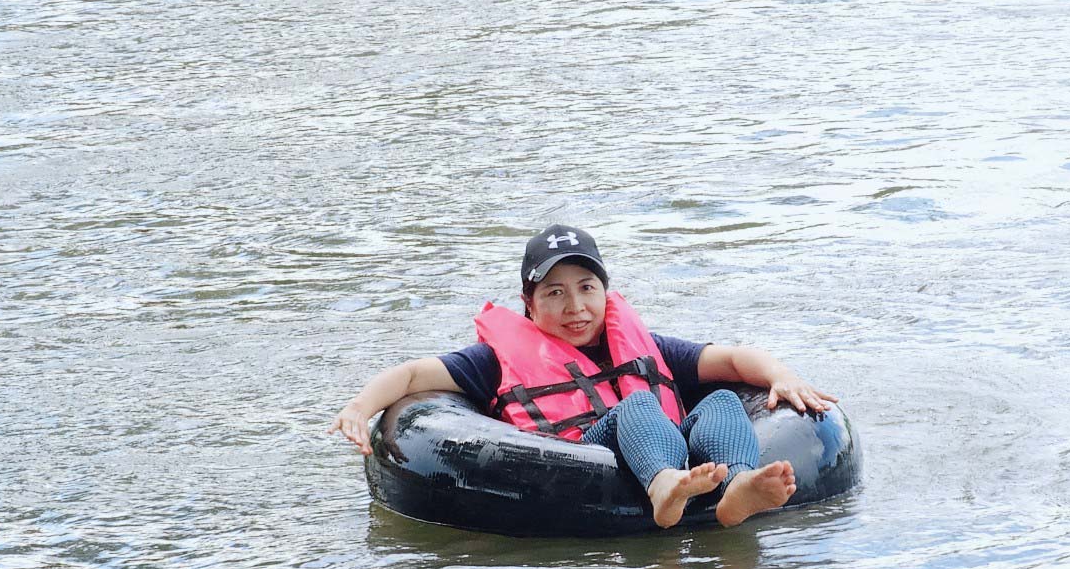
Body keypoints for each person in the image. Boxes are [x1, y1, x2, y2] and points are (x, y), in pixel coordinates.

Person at [329, 224, 838, 529]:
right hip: (579, 458)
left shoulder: (643, 347)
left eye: (587, 288)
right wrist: (359, 407)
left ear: (605, 292)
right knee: (638, 405)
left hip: (669, 446)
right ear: (528, 305)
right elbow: (413, 375)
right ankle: (664, 487)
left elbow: (731, 360)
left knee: (722, 402)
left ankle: (737, 488)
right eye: (555, 293)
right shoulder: (493, 361)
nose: (575, 306)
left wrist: (781, 375)